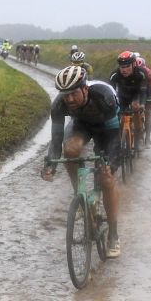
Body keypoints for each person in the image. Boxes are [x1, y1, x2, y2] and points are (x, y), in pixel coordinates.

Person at [40, 65, 123, 258]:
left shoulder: (104, 98)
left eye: (73, 93)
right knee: (70, 149)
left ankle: (113, 234)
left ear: (85, 88)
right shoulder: (59, 105)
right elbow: (56, 139)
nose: (69, 99)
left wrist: (110, 163)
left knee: (107, 179)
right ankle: (80, 195)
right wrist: (51, 164)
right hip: (81, 125)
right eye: (65, 95)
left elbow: (114, 139)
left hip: (107, 128)